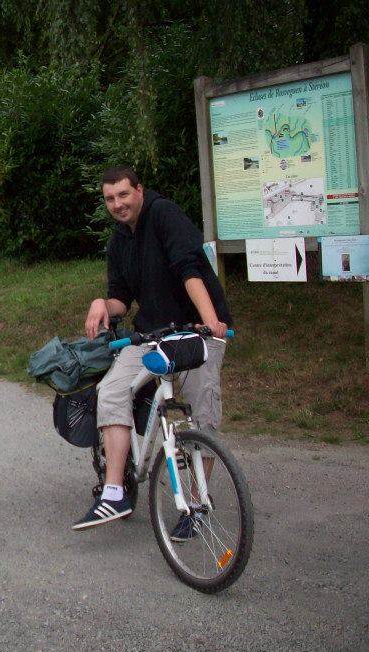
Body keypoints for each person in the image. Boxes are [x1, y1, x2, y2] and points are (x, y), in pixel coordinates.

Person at [73, 166, 232, 535]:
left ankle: (196, 504)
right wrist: (101, 303)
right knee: (111, 391)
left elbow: (189, 269)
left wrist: (209, 322)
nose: (117, 204)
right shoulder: (119, 240)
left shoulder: (164, 215)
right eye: (110, 198)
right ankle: (113, 492)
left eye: (123, 195)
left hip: (195, 331)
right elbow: (120, 301)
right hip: (151, 334)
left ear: (139, 191)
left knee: (201, 413)